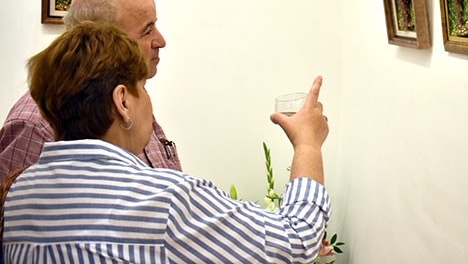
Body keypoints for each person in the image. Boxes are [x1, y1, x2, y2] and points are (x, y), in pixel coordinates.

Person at [1, 22, 330, 263]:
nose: (148, 100)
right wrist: (307, 144)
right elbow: (295, 242)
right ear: (122, 102)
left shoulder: (19, 195)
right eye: (143, 87)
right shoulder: (163, 199)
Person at [0, 0, 181, 181]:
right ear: (102, 39)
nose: (160, 41)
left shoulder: (132, 99)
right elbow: (17, 200)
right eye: (147, 31)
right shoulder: (35, 123)